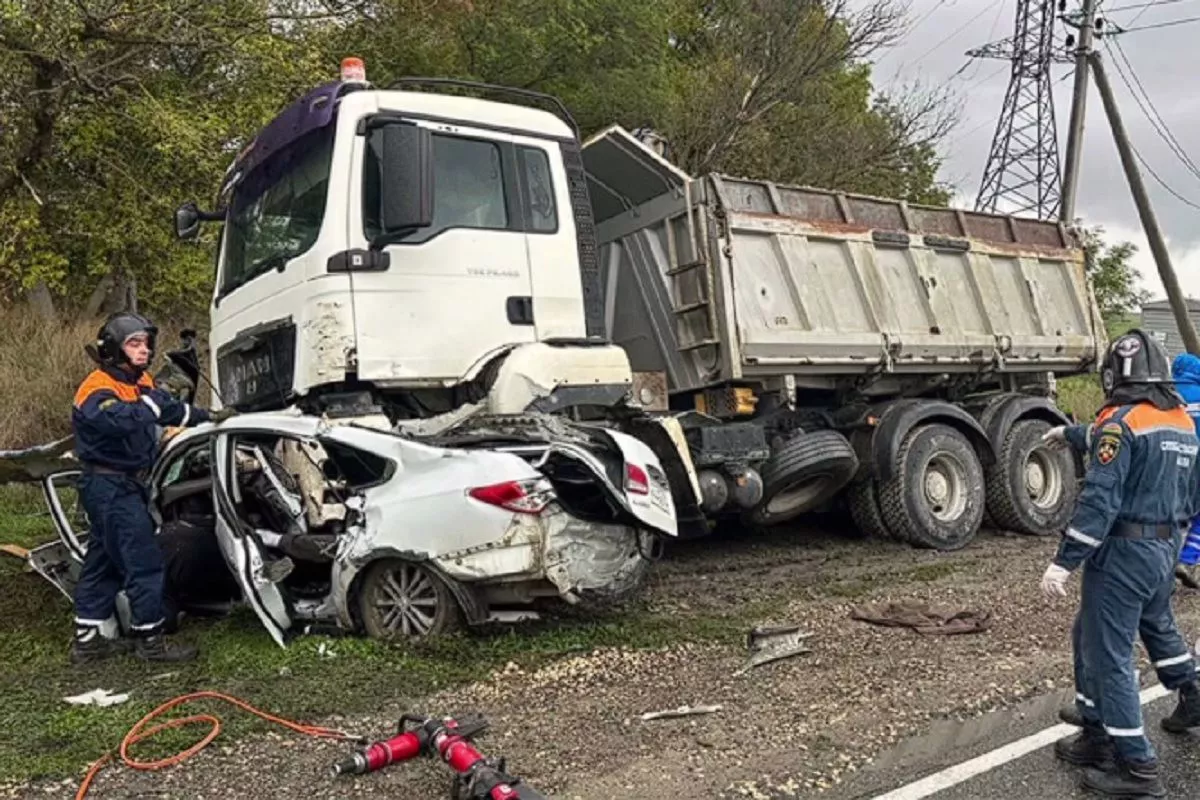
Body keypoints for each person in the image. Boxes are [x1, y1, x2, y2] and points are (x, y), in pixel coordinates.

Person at [1040, 330, 1200, 797]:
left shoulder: (1119, 421)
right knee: (1149, 624)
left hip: (1124, 552)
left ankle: (1134, 764)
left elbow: (1100, 499)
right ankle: (1187, 694)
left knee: (1107, 651)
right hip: (1165, 545)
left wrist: (1065, 561)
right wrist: (1070, 432)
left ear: (1115, 374)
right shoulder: (1178, 422)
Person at [70, 312, 235, 664]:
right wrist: (152, 403)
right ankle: (151, 642)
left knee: (101, 563)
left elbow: (171, 411)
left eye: (146, 343)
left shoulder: (138, 382)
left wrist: (212, 417)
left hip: (121, 485)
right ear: (114, 349)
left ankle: (87, 641)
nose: (144, 351)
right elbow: (120, 420)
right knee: (143, 562)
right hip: (110, 485)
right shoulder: (96, 388)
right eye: (134, 344)